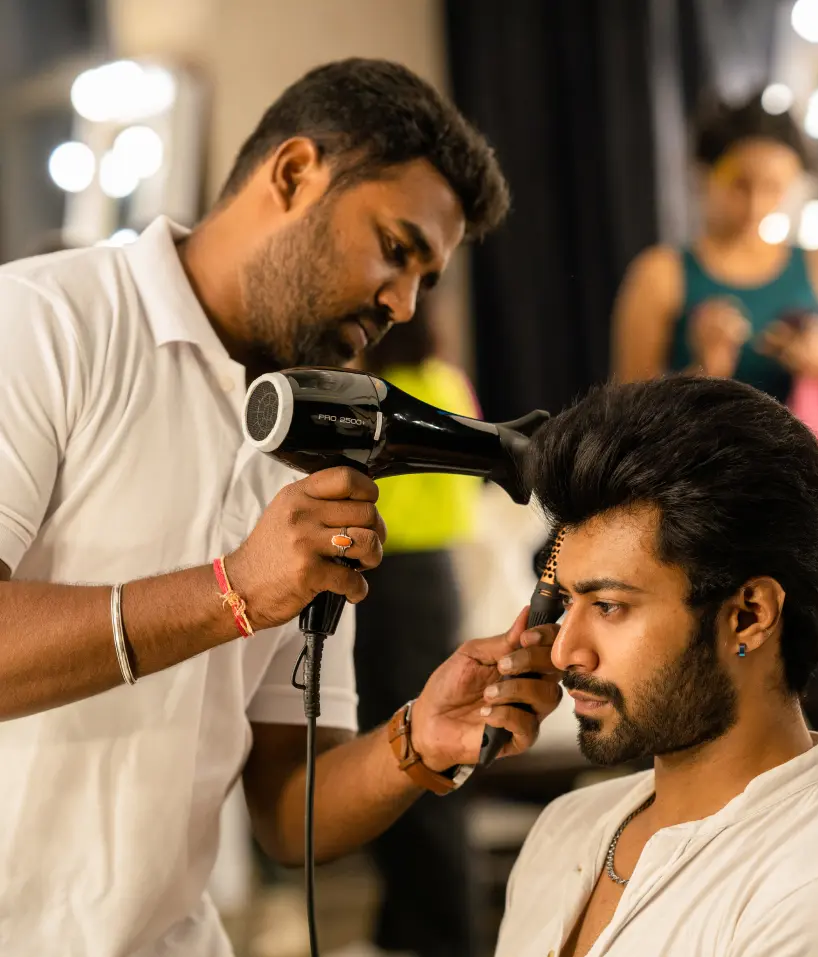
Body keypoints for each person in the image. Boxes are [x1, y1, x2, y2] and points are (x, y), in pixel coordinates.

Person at [0, 58, 563, 957]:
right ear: (295, 172)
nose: (403, 302)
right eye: (396, 248)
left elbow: (289, 808)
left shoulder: (321, 440)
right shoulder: (42, 323)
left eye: (426, 278)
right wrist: (232, 592)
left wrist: (419, 739)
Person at [495, 376, 818, 957]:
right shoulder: (565, 829)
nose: (563, 652)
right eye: (567, 603)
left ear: (749, 616)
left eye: (608, 606)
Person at [610, 93, 818, 790]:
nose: (757, 201)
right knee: (708, 711)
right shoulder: (662, 276)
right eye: (740, 182)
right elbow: (622, 431)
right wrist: (704, 371)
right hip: (704, 533)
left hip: (816, 529)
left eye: (775, 185)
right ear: (704, 176)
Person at [353, 302, 483, 957]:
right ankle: (411, 927)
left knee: (407, 756)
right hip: (429, 581)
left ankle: (438, 934)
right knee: (408, 756)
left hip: (392, 584)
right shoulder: (446, 382)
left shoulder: (380, 396)